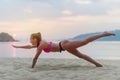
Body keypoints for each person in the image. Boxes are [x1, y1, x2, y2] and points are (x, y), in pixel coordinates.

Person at [12, 32, 115, 68]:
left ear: (35, 39)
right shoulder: (40, 44)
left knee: (85, 41)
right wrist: (17, 47)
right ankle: (97, 64)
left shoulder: (41, 45)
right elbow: (29, 47)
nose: (30, 41)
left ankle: (103, 34)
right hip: (64, 47)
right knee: (81, 56)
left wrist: (32, 67)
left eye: (31, 39)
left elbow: (35, 58)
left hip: (64, 45)